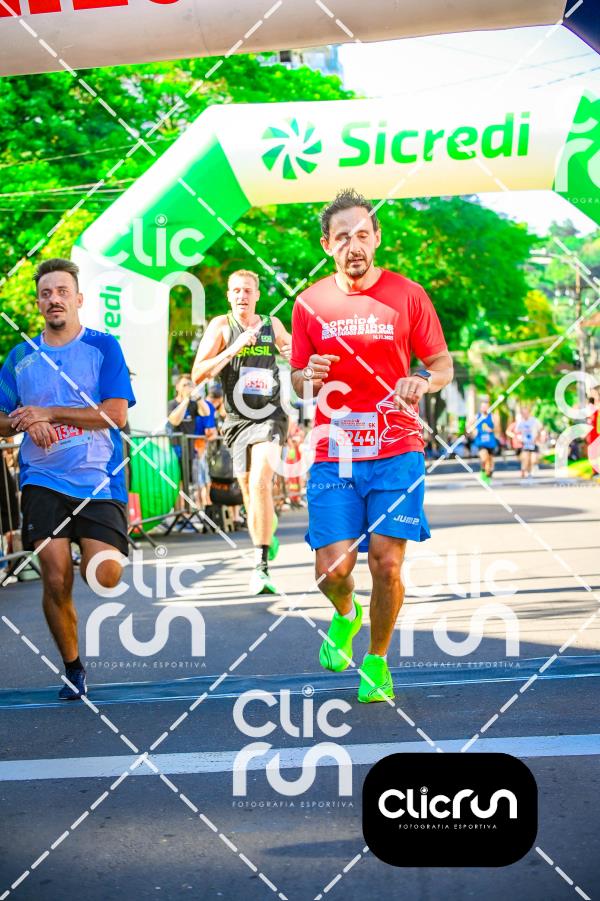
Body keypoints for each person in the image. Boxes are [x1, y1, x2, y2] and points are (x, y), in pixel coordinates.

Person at [290, 189, 453, 703]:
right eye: (343, 237)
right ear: (327, 245)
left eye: (362, 234)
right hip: (335, 452)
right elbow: (298, 380)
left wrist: (421, 380)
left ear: (377, 238)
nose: (354, 245)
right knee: (332, 570)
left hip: (396, 448)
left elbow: (442, 364)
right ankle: (346, 612)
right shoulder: (309, 304)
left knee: (386, 563)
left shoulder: (408, 295)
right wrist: (307, 376)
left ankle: (377, 660)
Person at [0, 258, 135, 699]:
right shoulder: (20, 357)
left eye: (62, 292)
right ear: (38, 303)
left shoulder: (103, 346)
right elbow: (1, 418)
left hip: (98, 479)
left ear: (78, 299)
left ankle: (86, 545)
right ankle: (74, 669)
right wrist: (25, 420)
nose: (54, 299)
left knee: (106, 575)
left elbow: (115, 415)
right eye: (46, 293)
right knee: (56, 578)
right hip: (42, 479)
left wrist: (50, 413)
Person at [191, 270, 291, 594]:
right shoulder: (221, 326)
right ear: (228, 295)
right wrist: (232, 349)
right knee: (248, 490)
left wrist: (296, 356)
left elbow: (295, 352)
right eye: (236, 290)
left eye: (247, 290)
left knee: (260, 481)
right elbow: (198, 374)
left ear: (257, 295)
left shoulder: (271, 325)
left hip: (270, 415)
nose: (241, 296)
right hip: (236, 420)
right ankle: (267, 527)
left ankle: (261, 566)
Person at [468, 398, 498, 483]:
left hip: (490, 442)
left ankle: (487, 473)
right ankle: (484, 473)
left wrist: (492, 430)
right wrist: (473, 431)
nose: (484, 408)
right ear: (480, 408)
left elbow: (497, 429)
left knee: (490, 461)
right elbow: (469, 426)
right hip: (481, 442)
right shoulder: (477, 417)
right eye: (483, 407)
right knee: (484, 458)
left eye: (486, 407)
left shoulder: (492, 417)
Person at [508, 405, 541, 478]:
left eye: (526, 413)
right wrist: (518, 438)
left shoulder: (534, 421)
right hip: (525, 444)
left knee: (533, 460)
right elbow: (516, 431)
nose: (525, 414)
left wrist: (537, 438)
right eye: (523, 413)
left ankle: (530, 469)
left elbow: (540, 430)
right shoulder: (520, 422)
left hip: (533, 443)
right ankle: (528, 472)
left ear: (529, 413)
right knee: (526, 459)